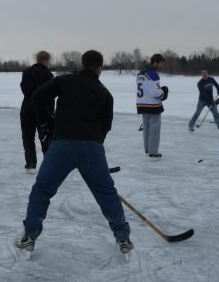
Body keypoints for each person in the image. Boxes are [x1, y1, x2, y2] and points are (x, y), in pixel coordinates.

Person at [16, 50, 132, 255]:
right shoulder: (105, 93)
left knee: (42, 190)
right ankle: (123, 238)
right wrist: (96, 144)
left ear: (83, 63)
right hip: (91, 149)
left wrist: (45, 124)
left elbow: (37, 96)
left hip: (62, 146)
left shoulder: (65, 80)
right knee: (106, 194)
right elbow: (106, 126)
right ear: (100, 68)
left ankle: (30, 235)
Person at [20, 51, 54, 172]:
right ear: (46, 60)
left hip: (27, 108)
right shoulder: (48, 75)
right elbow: (51, 94)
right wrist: (51, 112)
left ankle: (30, 164)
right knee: (45, 137)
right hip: (43, 110)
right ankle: (48, 165)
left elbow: (24, 89)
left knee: (28, 136)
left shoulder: (26, 72)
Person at [136, 54, 168, 158]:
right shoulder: (153, 74)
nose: (162, 66)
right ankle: (153, 152)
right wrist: (163, 93)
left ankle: (147, 149)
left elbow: (146, 89)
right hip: (153, 106)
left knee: (146, 128)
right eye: (161, 63)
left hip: (142, 104)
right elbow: (155, 93)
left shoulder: (140, 73)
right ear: (155, 62)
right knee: (154, 129)